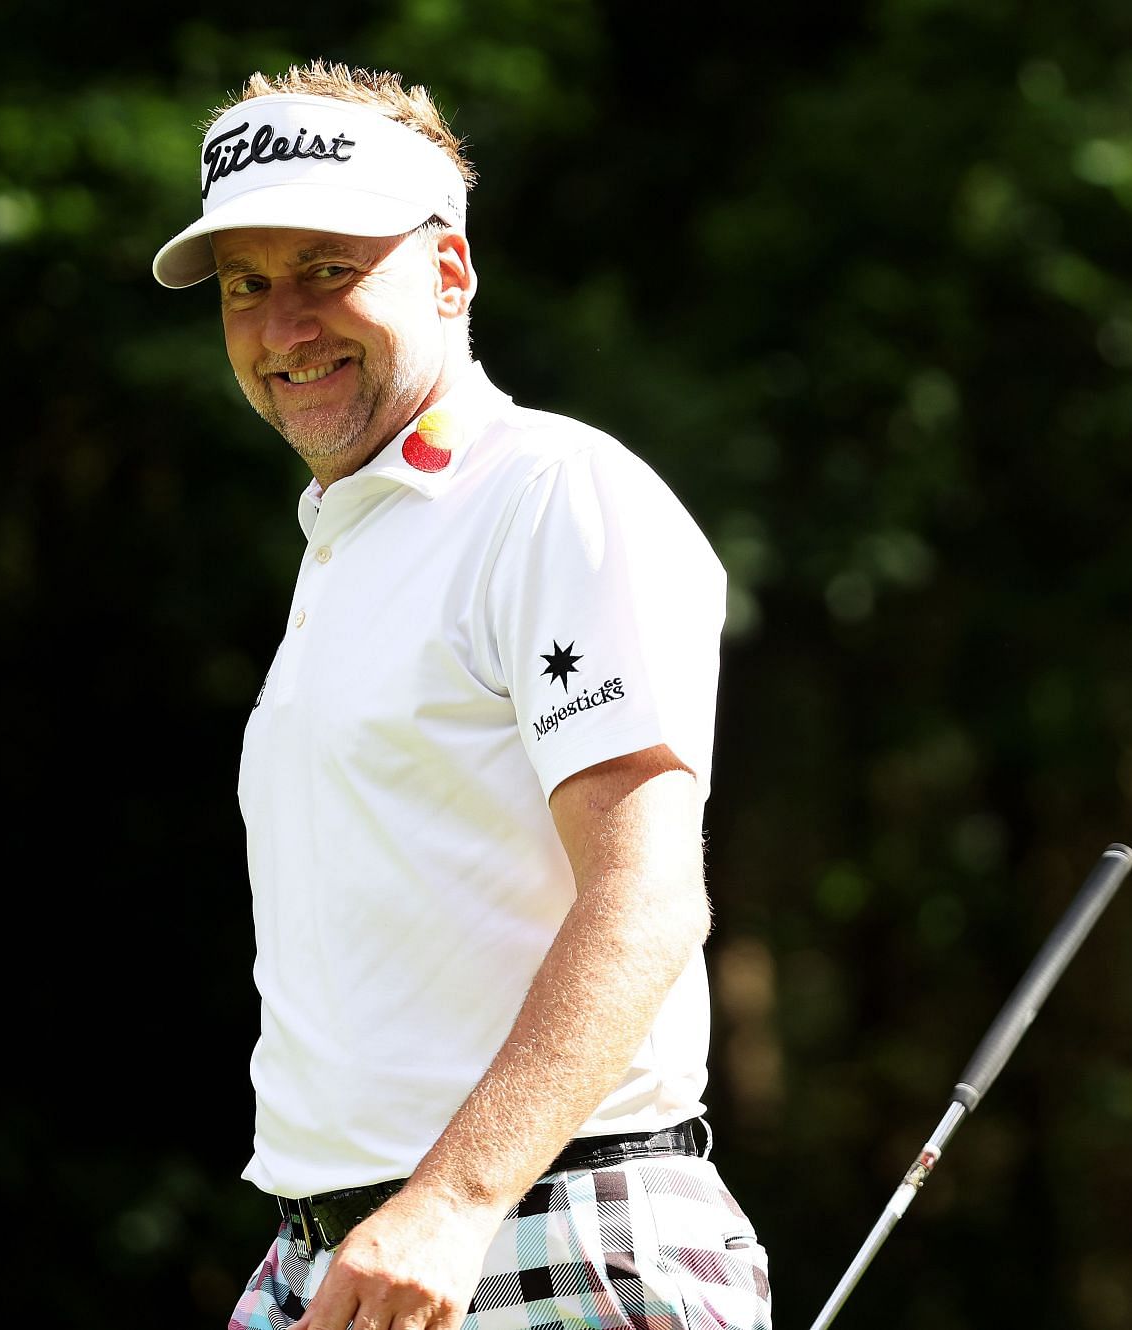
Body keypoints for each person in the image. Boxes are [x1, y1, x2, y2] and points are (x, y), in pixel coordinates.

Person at [153, 61, 771, 1330]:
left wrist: (453, 1197)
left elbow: (647, 896)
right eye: (246, 286)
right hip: (334, 1256)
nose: (283, 328)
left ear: (450, 271)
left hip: (545, 1229)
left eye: (329, 268)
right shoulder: (346, 544)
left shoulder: (551, 495)